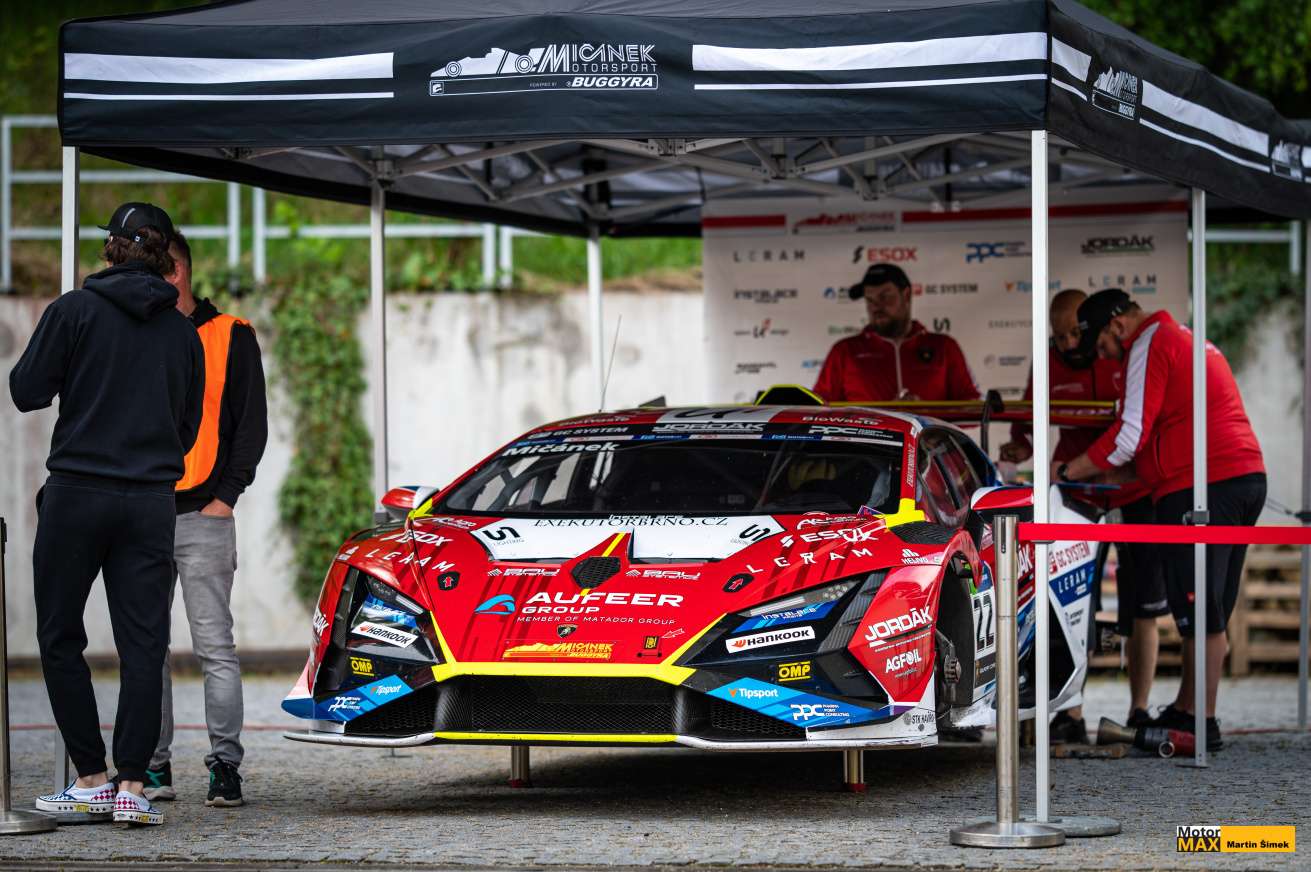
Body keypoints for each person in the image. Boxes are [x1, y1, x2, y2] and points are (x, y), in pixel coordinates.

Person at [10, 202, 203, 826]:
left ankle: (91, 778)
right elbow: (187, 428)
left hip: (78, 493)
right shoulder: (183, 333)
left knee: (60, 636)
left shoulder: (73, 311)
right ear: (166, 257)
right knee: (144, 645)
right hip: (150, 501)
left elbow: (26, 391)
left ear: (112, 248)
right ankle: (133, 788)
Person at [1057, 289, 1266, 752]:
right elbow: (1162, 437)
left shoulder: (1149, 342)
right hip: (1241, 477)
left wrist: (1069, 471)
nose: (1106, 358)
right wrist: (1113, 474)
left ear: (1117, 326)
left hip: (1203, 484)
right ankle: (1189, 709)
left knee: (1198, 609)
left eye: (1104, 347)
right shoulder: (1186, 337)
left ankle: (1201, 724)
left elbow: (1129, 434)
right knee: (1211, 608)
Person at [999, 289, 1168, 741]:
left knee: (1143, 604)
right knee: (1069, 602)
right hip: (1076, 496)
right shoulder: (1046, 361)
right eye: (1060, 337)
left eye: (1077, 333)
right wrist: (1019, 448)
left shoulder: (1126, 355)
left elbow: (1141, 424)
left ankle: (1139, 711)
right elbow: (1026, 426)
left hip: (1134, 493)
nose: (1071, 344)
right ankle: (1070, 713)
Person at [144, 231, 267, 807]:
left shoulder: (232, 335)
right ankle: (152, 767)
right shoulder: (140, 331)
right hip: (145, 513)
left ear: (175, 271)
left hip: (204, 515)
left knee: (214, 647)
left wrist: (226, 498)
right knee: (147, 648)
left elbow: (251, 426)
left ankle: (224, 766)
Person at [813, 263, 980, 402]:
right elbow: (818, 410)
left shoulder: (944, 347)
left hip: (928, 434)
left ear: (906, 295)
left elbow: (972, 407)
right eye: (869, 300)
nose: (876, 307)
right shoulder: (844, 351)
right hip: (866, 435)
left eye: (884, 297)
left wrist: (927, 415)